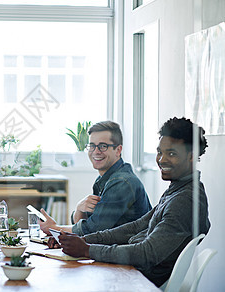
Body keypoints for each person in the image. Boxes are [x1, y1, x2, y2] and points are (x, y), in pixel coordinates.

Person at [50, 117, 210, 287]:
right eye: (159, 152)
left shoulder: (185, 200)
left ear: (191, 157)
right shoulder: (177, 190)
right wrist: (81, 239)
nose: (161, 160)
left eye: (171, 154)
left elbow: (146, 253)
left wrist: (86, 249)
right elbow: (135, 227)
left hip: (139, 281)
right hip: (131, 272)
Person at [40, 121, 151, 236]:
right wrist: (79, 209)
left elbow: (92, 230)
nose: (96, 152)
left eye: (103, 146)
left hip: (125, 250)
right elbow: (86, 225)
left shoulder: (121, 182)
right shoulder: (106, 178)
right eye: (92, 146)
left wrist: (54, 228)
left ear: (118, 150)